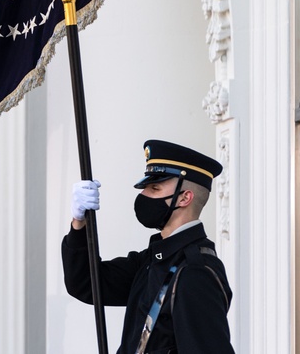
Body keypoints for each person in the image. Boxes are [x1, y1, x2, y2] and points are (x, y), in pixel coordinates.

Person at [62, 139, 234, 353]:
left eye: (155, 188)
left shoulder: (195, 272)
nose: (143, 196)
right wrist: (80, 222)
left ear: (184, 197)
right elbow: (87, 283)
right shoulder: (153, 260)